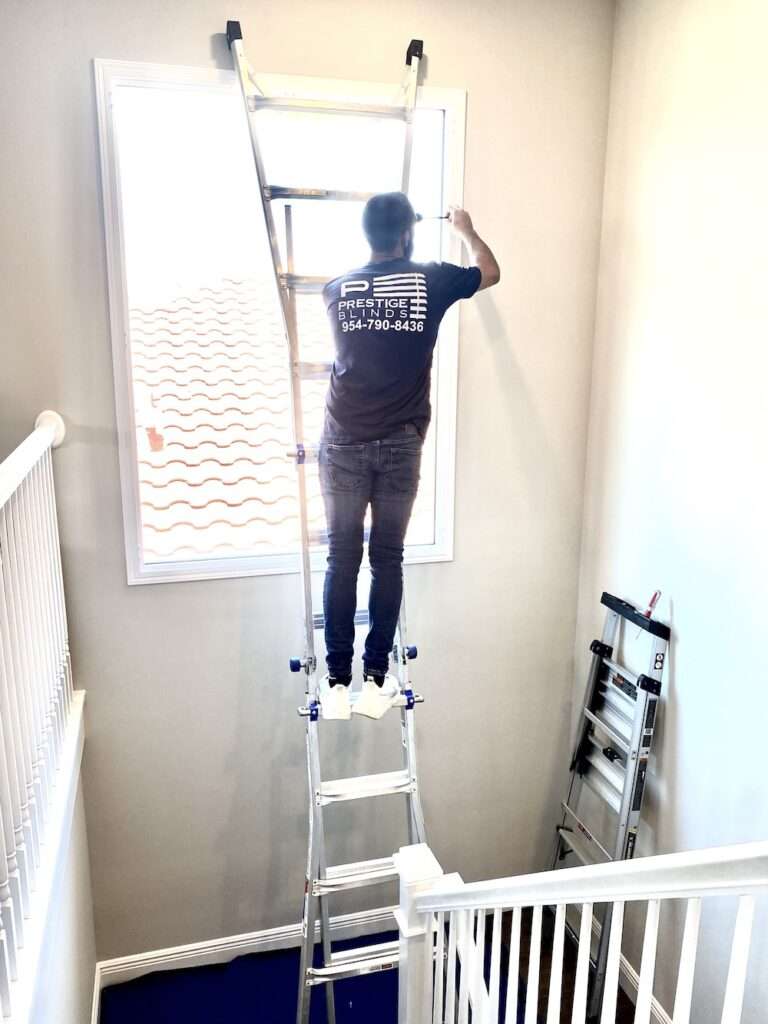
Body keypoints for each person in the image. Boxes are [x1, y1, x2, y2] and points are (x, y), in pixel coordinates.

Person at [318, 192, 500, 720]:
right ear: (406, 234)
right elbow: (489, 272)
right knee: (387, 559)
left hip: (344, 440)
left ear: (366, 234)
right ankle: (376, 682)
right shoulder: (431, 279)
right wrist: (465, 228)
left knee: (341, 559)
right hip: (399, 443)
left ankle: (335, 684)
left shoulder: (335, 290)